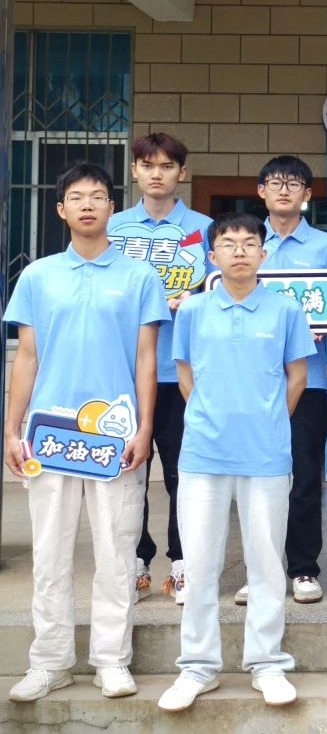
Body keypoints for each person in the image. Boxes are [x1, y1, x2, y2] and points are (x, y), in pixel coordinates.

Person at [4, 163, 167, 703]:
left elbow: (146, 357)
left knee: (117, 551)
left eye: (98, 196)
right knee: (49, 553)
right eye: (77, 197)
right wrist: (11, 429)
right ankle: (49, 662)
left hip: (114, 437)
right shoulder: (38, 276)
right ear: (61, 210)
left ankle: (111, 660)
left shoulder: (139, 277)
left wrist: (145, 426)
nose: (89, 204)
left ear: (112, 208)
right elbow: (27, 356)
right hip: (49, 434)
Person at [158, 213, 314, 711]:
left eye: (250, 243)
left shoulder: (285, 310)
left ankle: (267, 663)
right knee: (199, 564)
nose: (240, 251)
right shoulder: (193, 310)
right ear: (213, 255)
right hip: (203, 454)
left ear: (263, 254)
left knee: (266, 562)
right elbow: (185, 375)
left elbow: (297, 378)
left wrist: (267, 422)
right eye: (229, 243)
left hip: (266, 454)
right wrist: (212, 418)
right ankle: (197, 667)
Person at [109, 133, 213, 605]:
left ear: (181, 173)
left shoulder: (204, 229)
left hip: (179, 371)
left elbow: (223, 290)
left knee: (181, 472)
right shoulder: (113, 228)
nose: (157, 174)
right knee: (127, 471)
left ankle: (181, 562)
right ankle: (135, 560)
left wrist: (196, 299)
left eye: (167, 166)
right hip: (122, 372)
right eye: (148, 165)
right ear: (134, 171)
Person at [242, 156, 327, 606]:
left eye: (294, 183)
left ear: (307, 194)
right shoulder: (247, 241)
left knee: (303, 477)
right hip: (252, 379)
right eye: (276, 182)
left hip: (311, 379)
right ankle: (259, 571)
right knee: (256, 478)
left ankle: (304, 568)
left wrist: (324, 323)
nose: (284, 190)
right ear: (261, 190)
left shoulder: (326, 247)